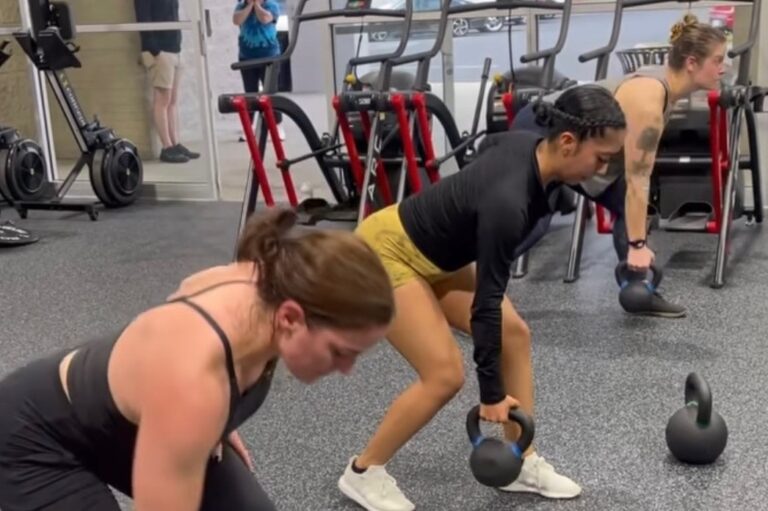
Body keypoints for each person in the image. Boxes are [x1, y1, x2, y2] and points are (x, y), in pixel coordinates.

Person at [338, 85, 627, 511]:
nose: (603, 169)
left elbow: (494, 142)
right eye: (601, 158)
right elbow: (486, 305)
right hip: (386, 253)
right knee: (444, 375)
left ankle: (521, 458)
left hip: (436, 254)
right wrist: (491, 393)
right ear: (568, 142)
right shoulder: (507, 205)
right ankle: (364, 471)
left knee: (516, 334)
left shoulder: (527, 146)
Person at [0, 209, 394, 511]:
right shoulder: (194, 383)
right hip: (34, 439)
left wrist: (211, 416)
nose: (347, 370)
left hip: (125, 415)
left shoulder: (268, 278)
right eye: (341, 352)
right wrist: (193, 408)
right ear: (290, 318)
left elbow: (185, 292)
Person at [511, 14, 727, 318]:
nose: (724, 66)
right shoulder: (649, 99)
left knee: (628, 203)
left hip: (583, 145)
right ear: (691, 62)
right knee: (536, 220)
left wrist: (636, 243)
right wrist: (638, 244)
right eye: (718, 59)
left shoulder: (668, 87)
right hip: (542, 128)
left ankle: (636, 288)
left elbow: (632, 181)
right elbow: (639, 179)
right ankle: (467, 280)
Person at [233, 0, 286, 141]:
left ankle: (277, 126)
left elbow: (265, 19)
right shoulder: (241, 6)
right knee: (250, 92)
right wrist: (249, 5)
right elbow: (236, 20)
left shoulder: (271, 5)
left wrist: (256, 5)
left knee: (270, 92)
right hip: (247, 56)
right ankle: (249, 128)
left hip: (269, 56)